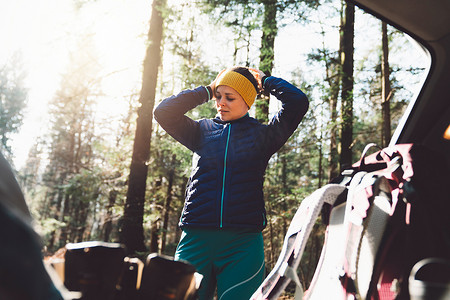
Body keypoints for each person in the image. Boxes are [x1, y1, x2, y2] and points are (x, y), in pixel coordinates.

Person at [154, 66, 309, 300]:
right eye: (218, 96)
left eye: (230, 97)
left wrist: (265, 82)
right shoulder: (201, 131)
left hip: (242, 243)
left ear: (247, 101)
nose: (221, 103)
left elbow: (297, 102)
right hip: (197, 238)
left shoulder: (263, 136)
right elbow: (163, 112)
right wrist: (206, 90)